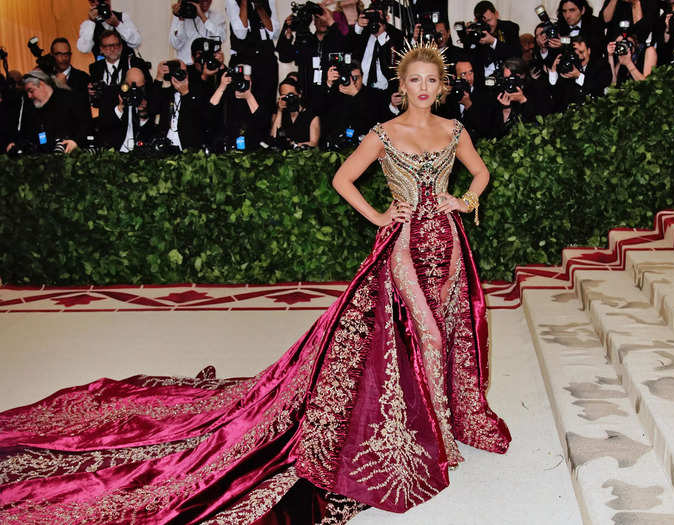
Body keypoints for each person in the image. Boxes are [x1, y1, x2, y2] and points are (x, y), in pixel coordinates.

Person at [0, 40, 510, 524]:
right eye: (414, 80)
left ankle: (443, 416)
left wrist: (462, 201)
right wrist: (379, 216)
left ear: (441, 85)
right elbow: (341, 179)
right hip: (400, 248)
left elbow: (480, 173)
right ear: (402, 84)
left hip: (447, 246)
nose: (422, 87)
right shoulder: (383, 132)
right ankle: (436, 435)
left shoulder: (454, 129)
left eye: (430, 80)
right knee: (423, 332)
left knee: (448, 330)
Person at [5, 70, 90, 154]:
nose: (29, 96)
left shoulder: (70, 99)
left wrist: (76, 141)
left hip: (70, 154)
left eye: (31, 91)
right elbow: (26, 133)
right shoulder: (31, 107)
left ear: (41, 84)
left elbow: (85, 125)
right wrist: (17, 144)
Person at [97, 67, 156, 151]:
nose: (137, 91)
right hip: (116, 150)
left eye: (141, 87)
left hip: (140, 150)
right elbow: (103, 124)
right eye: (134, 87)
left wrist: (143, 114)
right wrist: (119, 108)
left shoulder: (147, 95)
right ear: (125, 84)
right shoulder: (110, 93)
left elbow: (150, 131)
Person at [77, 0, 142, 58]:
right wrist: (91, 23)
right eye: (94, 1)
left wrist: (118, 25)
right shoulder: (88, 24)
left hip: (127, 66)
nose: (102, 4)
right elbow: (84, 49)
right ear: (91, 3)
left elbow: (136, 42)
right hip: (103, 68)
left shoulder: (122, 17)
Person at [170, 0, 227, 65]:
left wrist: (203, 17)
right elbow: (175, 45)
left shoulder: (218, 17)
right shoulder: (181, 15)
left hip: (208, 67)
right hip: (186, 66)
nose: (206, 1)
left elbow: (221, 38)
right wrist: (181, 20)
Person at [270, 77, 320, 147]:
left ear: (299, 94)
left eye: (290, 95)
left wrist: (293, 144)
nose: (289, 99)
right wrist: (279, 111)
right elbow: (273, 137)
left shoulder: (311, 116)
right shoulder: (279, 115)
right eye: (284, 95)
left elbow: (314, 143)